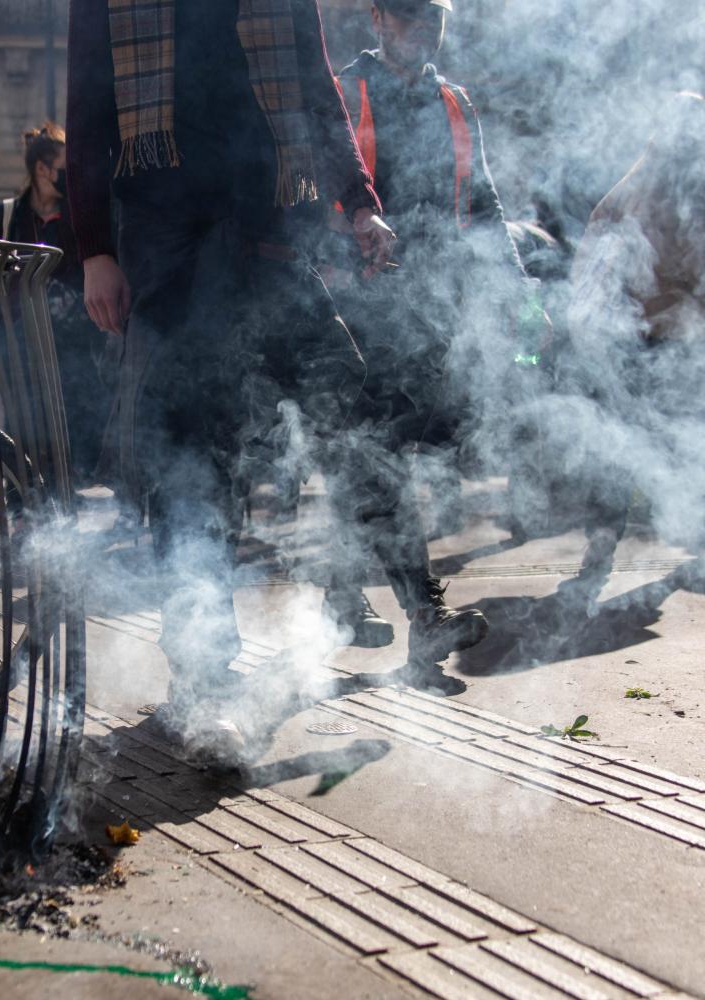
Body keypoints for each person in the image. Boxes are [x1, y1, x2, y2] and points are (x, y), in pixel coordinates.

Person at [66, 0, 394, 750]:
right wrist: (94, 250)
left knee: (345, 390)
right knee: (190, 458)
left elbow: (316, 88)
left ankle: (358, 592)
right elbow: (88, 111)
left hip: (271, 228)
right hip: (169, 243)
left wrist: (358, 205)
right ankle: (202, 671)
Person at [322, 0, 536, 662]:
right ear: (378, 19)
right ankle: (423, 613)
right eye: (409, 16)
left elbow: (484, 203)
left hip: (430, 305)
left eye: (433, 19)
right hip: (360, 307)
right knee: (375, 452)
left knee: (370, 452)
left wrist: (520, 292)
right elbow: (313, 192)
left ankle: (340, 592)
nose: (422, 31)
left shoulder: (453, 101)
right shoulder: (343, 91)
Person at [561, 91, 705, 608]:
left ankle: (604, 553)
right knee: (671, 451)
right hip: (658, 343)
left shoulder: (639, 185)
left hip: (646, 343)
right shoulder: (659, 189)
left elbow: (591, 254)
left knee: (640, 452)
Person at [0, 124, 108, 484]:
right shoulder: (4, 217)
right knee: (21, 432)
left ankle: (63, 503)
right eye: (66, 167)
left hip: (74, 351)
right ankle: (22, 502)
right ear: (42, 168)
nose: (74, 174)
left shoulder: (80, 217)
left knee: (71, 436)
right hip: (19, 348)